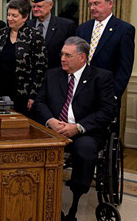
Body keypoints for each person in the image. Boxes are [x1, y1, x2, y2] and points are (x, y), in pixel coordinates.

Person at [34, 37, 116, 221]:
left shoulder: (101, 77)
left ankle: (76, 200)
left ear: (82, 58)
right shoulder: (52, 75)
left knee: (85, 149)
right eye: (62, 54)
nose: (62, 58)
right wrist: (51, 121)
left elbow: (108, 110)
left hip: (85, 133)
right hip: (53, 130)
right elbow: (39, 102)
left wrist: (78, 127)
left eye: (67, 55)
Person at [76, 0, 135, 123]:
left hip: (106, 95)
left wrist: (113, 95)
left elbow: (124, 67)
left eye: (97, 4)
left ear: (110, 4)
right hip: (81, 94)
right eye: (90, 4)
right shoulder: (82, 29)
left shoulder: (124, 30)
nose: (92, 8)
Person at [0, 0, 47, 116]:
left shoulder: (34, 36)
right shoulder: (0, 34)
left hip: (24, 95)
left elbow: (40, 69)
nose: (9, 18)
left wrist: (33, 96)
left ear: (25, 17)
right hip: (0, 93)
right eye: (8, 14)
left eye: (14, 15)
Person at [27, 0, 76, 69]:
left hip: (56, 74)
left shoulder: (66, 26)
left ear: (50, 5)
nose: (35, 9)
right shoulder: (27, 25)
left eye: (39, 6)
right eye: (33, 6)